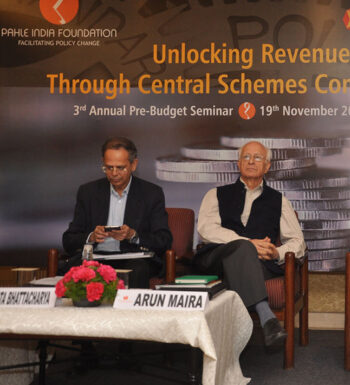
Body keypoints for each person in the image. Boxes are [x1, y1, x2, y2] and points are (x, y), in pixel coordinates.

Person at [194, 141, 306, 347]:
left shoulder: (279, 201)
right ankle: (267, 317)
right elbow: (206, 229)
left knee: (246, 258)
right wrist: (248, 243)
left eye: (257, 157)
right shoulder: (215, 194)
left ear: (267, 166)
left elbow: (298, 242)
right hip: (218, 260)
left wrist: (276, 252)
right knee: (244, 248)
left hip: (258, 264)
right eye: (246, 157)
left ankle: (235, 335)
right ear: (238, 163)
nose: (251, 161)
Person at [62, 137, 172, 289]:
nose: (114, 173)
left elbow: (164, 240)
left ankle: (131, 306)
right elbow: (69, 240)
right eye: (109, 167)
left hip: (133, 259)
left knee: (138, 269)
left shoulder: (151, 193)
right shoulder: (88, 192)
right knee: (75, 267)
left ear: (133, 164)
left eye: (120, 168)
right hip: (96, 258)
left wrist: (133, 236)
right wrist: (91, 237)